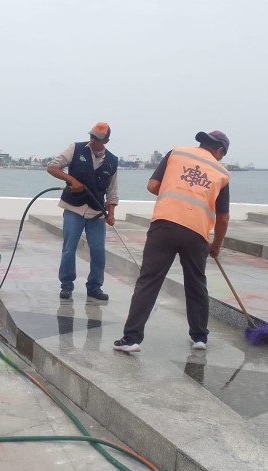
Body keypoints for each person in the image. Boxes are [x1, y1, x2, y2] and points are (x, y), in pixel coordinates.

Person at [114, 130, 231, 353]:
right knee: (196, 284)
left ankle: (131, 339)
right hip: (197, 233)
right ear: (220, 150)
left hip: (164, 226)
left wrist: (174, 185)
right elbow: (223, 217)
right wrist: (215, 246)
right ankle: (199, 337)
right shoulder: (222, 173)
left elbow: (152, 186)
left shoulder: (176, 153)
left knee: (148, 281)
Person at [47, 122, 119, 301]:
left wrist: (111, 213)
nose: (93, 140)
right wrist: (72, 180)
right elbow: (53, 167)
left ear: (106, 141)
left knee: (98, 250)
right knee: (69, 248)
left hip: (96, 212)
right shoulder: (76, 149)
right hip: (74, 208)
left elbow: (112, 192)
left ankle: (95, 286)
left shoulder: (112, 161)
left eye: (98, 138)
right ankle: (66, 285)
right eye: (92, 136)